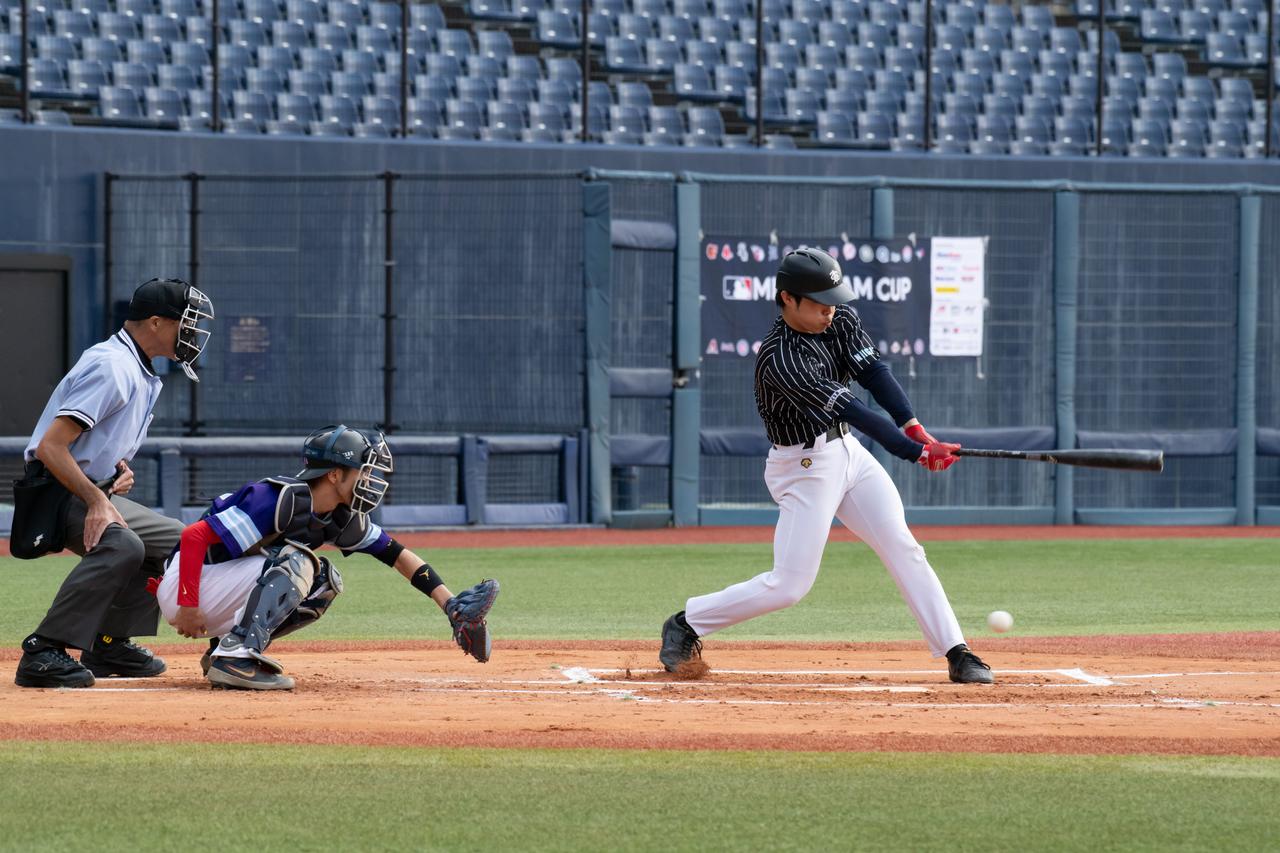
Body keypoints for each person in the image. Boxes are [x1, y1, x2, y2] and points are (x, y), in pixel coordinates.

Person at [658, 248, 994, 684]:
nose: (830, 311)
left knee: (904, 547)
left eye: (833, 301)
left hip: (848, 452)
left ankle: (956, 651)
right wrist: (914, 452)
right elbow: (854, 408)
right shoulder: (781, 359)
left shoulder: (840, 318)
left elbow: (874, 373)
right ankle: (687, 623)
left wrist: (911, 425)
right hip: (803, 467)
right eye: (819, 304)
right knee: (789, 586)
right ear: (787, 299)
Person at [154, 424, 499, 690]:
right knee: (299, 562)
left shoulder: (339, 516)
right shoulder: (276, 498)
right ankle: (235, 656)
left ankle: (225, 651)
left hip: (214, 589)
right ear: (335, 474)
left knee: (324, 582)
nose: (370, 479)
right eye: (363, 470)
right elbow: (193, 536)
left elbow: (397, 555)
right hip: (188, 583)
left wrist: (450, 605)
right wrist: (188, 604)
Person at [15, 279, 214, 689]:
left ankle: (108, 644)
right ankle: (43, 650)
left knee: (179, 542)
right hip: (56, 492)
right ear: (156, 322)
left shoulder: (136, 367)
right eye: (186, 322)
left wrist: (116, 468)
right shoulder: (113, 366)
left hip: (87, 486)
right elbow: (51, 448)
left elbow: (93, 440)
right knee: (123, 544)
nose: (191, 333)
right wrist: (97, 500)